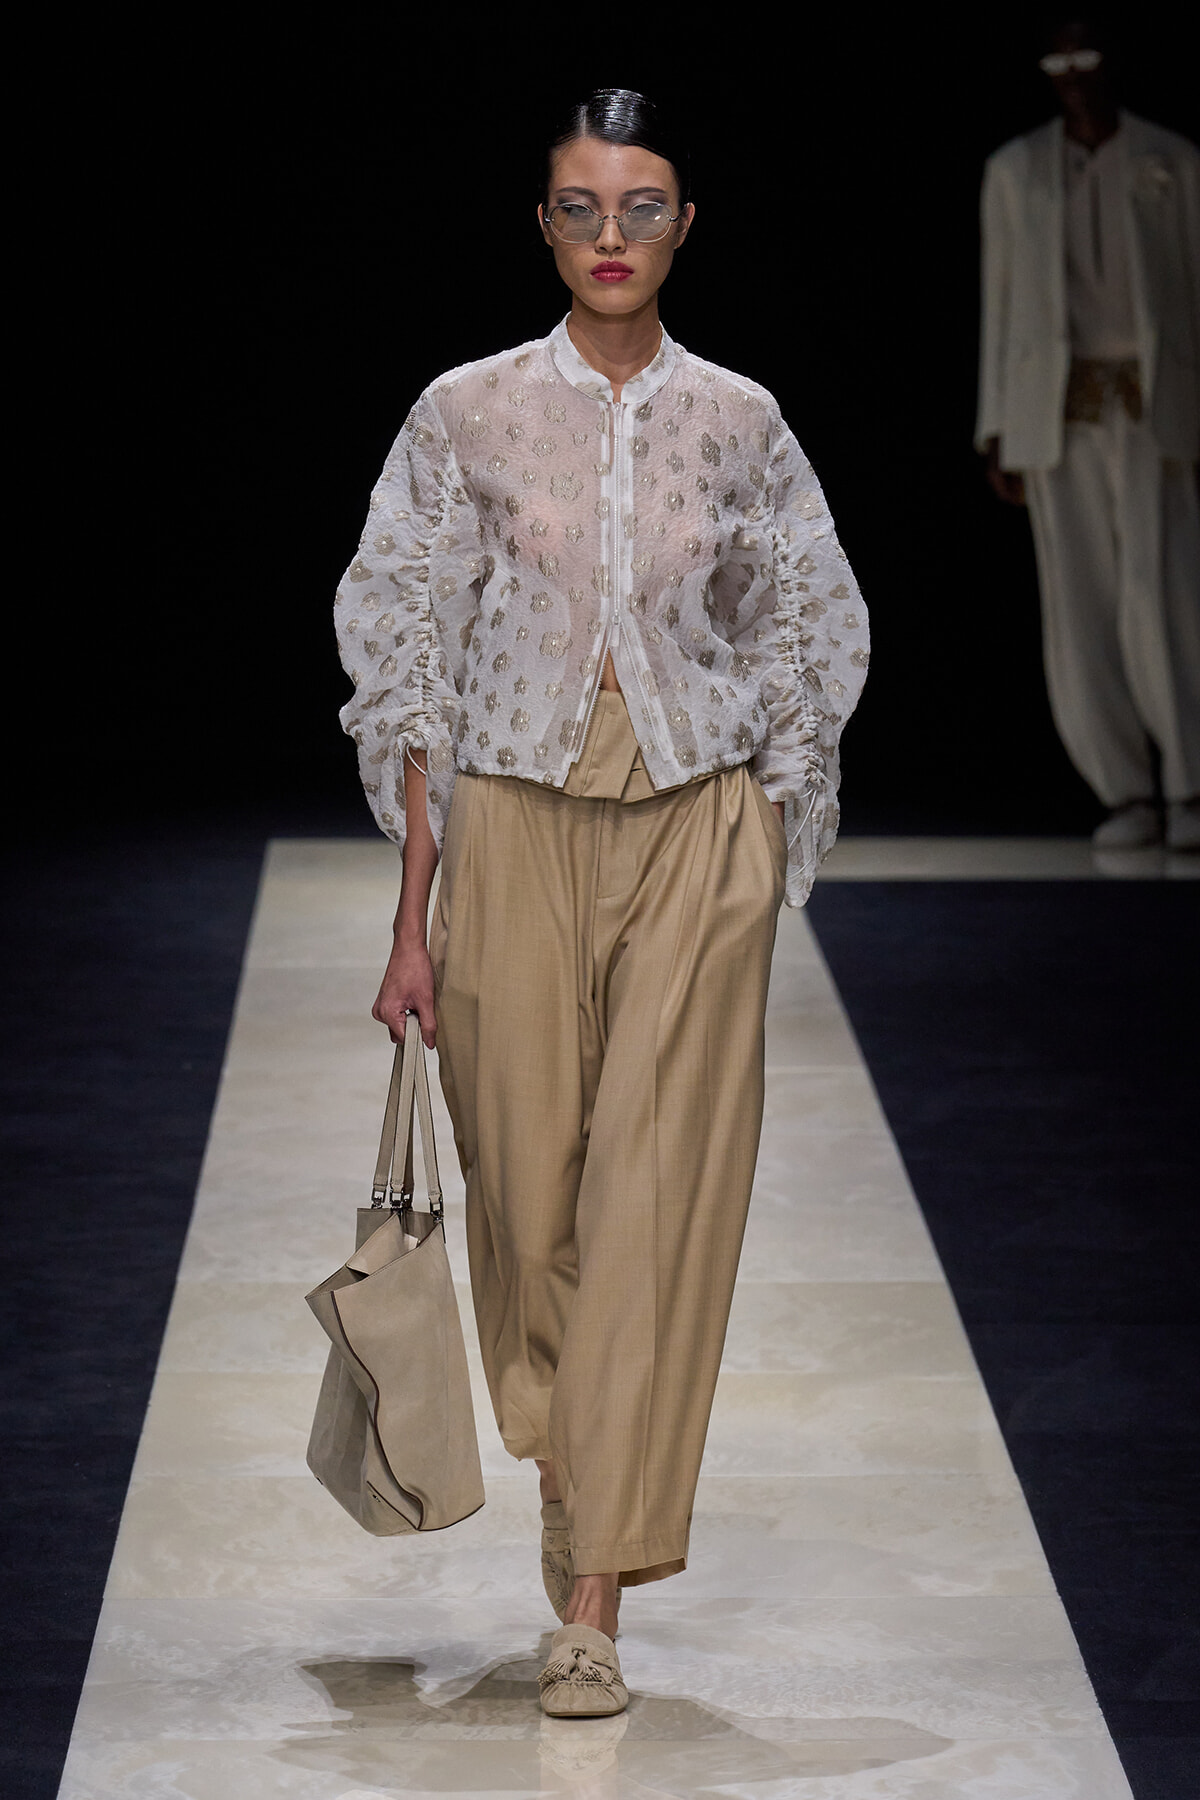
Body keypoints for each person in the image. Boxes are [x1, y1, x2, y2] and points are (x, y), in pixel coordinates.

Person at [334, 88, 868, 1717]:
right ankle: (583, 1464)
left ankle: (591, 1598)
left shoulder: (742, 419)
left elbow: (813, 621)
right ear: (545, 223)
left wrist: (776, 817)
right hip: (510, 821)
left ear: (686, 224)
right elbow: (403, 648)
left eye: (644, 206)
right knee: (529, 1203)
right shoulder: (469, 411)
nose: (613, 235)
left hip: (695, 831)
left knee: (657, 1202)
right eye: (583, 206)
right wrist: (414, 913)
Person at [976, 12, 1200, 850]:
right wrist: (997, 424)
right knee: (1081, 607)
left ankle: (1189, 781)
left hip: (1154, 406)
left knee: (1167, 593)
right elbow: (1003, 304)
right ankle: (1126, 790)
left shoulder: (1172, 160)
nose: (1072, 73)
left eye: (1086, 56)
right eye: (1058, 58)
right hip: (1057, 412)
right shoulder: (1017, 170)